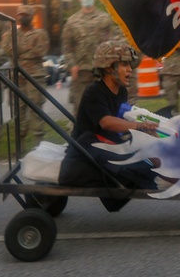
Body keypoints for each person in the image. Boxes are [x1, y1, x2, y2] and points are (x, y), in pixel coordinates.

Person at [58, 41, 159, 192]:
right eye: (124, 65)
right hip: (86, 148)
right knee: (142, 168)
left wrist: (148, 131)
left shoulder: (122, 91)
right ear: (109, 67)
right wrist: (140, 126)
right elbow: (107, 122)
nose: (130, 70)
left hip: (108, 143)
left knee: (156, 157)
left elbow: (122, 120)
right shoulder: (94, 91)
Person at [0, 4, 51, 142]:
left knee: (36, 109)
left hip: (35, 76)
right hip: (17, 77)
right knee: (18, 111)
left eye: (25, 14)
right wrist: (27, 50)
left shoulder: (40, 34)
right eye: (20, 14)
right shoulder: (10, 34)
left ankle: (39, 143)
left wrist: (19, 52)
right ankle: (19, 145)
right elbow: (7, 51)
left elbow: (41, 51)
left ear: (31, 17)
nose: (22, 17)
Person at [62, 0, 115, 113]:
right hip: (81, 70)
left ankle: (102, 131)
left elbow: (112, 43)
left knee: (104, 104)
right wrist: (72, 64)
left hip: (102, 69)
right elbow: (67, 47)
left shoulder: (105, 19)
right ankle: (81, 131)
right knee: (81, 105)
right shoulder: (72, 22)